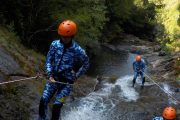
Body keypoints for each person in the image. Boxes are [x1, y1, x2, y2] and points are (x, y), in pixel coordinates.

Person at [38, 20, 89, 120]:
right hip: (53, 78)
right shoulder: (55, 45)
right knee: (43, 100)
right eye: (62, 36)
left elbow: (86, 64)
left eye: (67, 37)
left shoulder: (78, 50)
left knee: (56, 106)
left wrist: (76, 75)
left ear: (72, 36)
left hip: (67, 83)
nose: (64, 38)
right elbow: (49, 60)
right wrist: (49, 74)